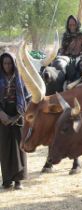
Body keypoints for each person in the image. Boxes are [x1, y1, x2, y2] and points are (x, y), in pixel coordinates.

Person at [0, 52, 31, 190]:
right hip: (2, 117)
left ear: (14, 63)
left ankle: (19, 180)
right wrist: (1, 114)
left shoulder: (20, 78)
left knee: (19, 147)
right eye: (5, 63)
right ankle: (7, 180)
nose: (7, 66)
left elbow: (28, 99)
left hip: (18, 117)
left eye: (10, 63)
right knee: (4, 148)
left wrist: (18, 116)